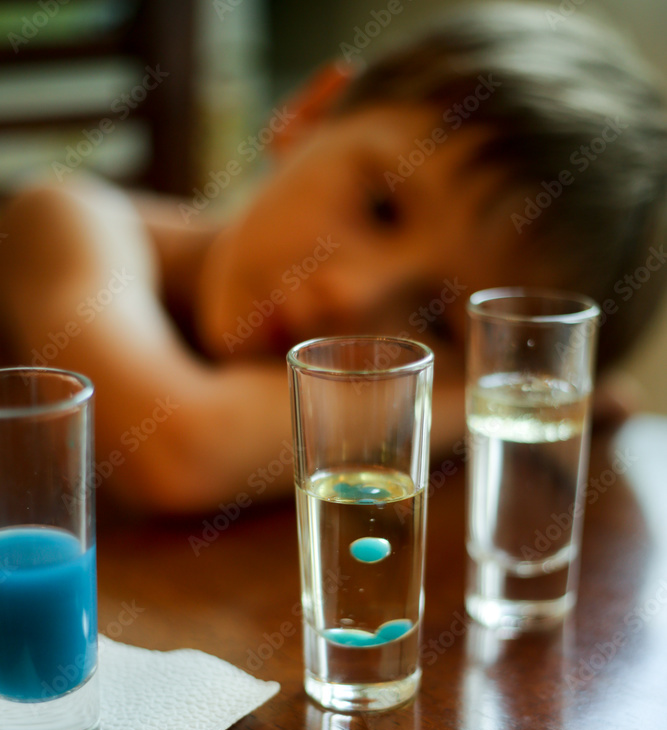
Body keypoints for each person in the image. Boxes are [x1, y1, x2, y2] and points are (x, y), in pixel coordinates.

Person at [1, 2, 666, 513]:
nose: (351, 297)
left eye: (436, 322)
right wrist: (489, 401)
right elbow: (178, 451)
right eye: (381, 207)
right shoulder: (67, 220)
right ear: (309, 113)